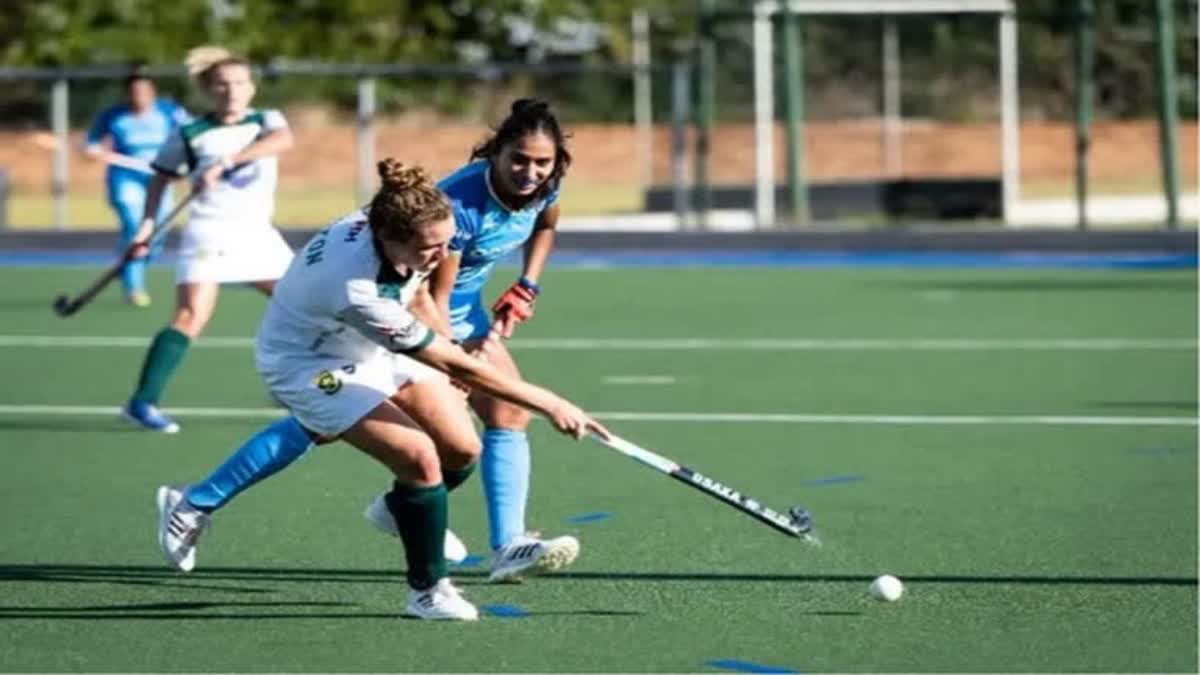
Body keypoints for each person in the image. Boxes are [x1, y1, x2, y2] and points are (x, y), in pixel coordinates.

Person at [157, 159, 608, 621]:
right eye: (431, 248)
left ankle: (398, 511)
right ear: (392, 240)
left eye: (447, 241)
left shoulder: (391, 223)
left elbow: (416, 294)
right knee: (418, 456)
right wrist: (550, 402)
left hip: (368, 343)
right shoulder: (357, 287)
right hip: (311, 364)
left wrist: (447, 342)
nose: (442, 254)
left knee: (461, 449)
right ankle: (428, 591)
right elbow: (451, 363)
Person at [120, 47, 295, 433]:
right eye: (222, 84)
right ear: (208, 90)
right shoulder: (189, 133)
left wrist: (227, 161)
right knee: (192, 316)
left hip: (257, 232)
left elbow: (282, 141)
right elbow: (161, 179)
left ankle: (298, 386)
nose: (231, 91)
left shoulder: (266, 121)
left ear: (251, 87)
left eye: (239, 83)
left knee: (304, 301)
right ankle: (142, 402)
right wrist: (147, 226)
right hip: (209, 229)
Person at [83, 70, 190, 307]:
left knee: (156, 233)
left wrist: (182, 166)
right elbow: (90, 142)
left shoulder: (169, 111)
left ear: (153, 92)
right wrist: (92, 150)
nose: (138, 96)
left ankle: (128, 263)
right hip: (125, 179)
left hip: (160, 178)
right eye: (133, 92)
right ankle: (134, 287)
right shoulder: (113, 115)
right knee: (135, 227)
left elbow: (191, 135)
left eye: (143, 91)